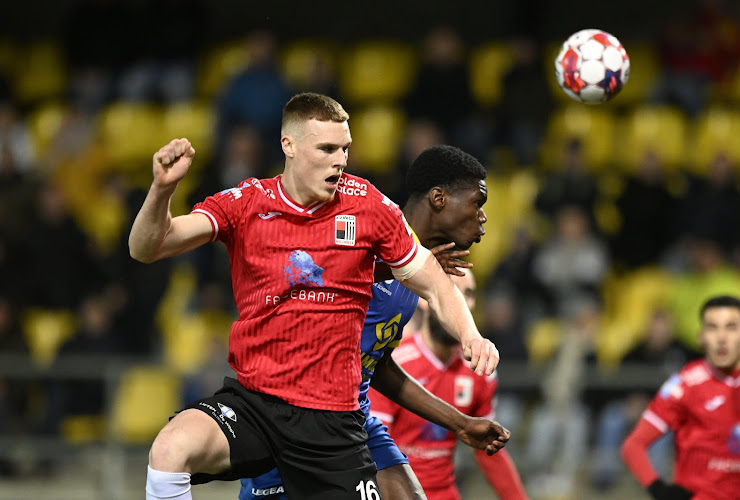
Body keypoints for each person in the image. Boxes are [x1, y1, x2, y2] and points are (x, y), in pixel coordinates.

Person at [128, 92, 499, 500]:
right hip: (258, 404)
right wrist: (162, 191)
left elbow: (432, 280)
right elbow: (147, 247)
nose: (340, 160)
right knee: (169, 449)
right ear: (289, 146)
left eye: (345, 148)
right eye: (326, 148)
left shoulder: (369, 207)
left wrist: (471, 336)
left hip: (333, 422)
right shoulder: (246, 203)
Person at [239, 144, 509, 500]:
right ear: (439, 198)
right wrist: (388, 270)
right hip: (290, 414)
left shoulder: (418, 271)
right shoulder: (365, 232)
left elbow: (375, 364)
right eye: (477, 203)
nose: (483, 217)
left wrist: (459, 423)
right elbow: (304, 278)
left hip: (353, 416)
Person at [369, 269, 529, 500]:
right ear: (426, 298)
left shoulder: (479, 372)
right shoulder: (390, 365)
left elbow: (488, 451)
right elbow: (374, 452)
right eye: (454, 291)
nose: (462, 303)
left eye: (469, 294)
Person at [620, 295, 740, 500]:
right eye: (712, 328)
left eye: (731, 327)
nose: (721, 337)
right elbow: (633, 446)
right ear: (701, 337)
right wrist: (660, 491)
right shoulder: (684, 386)